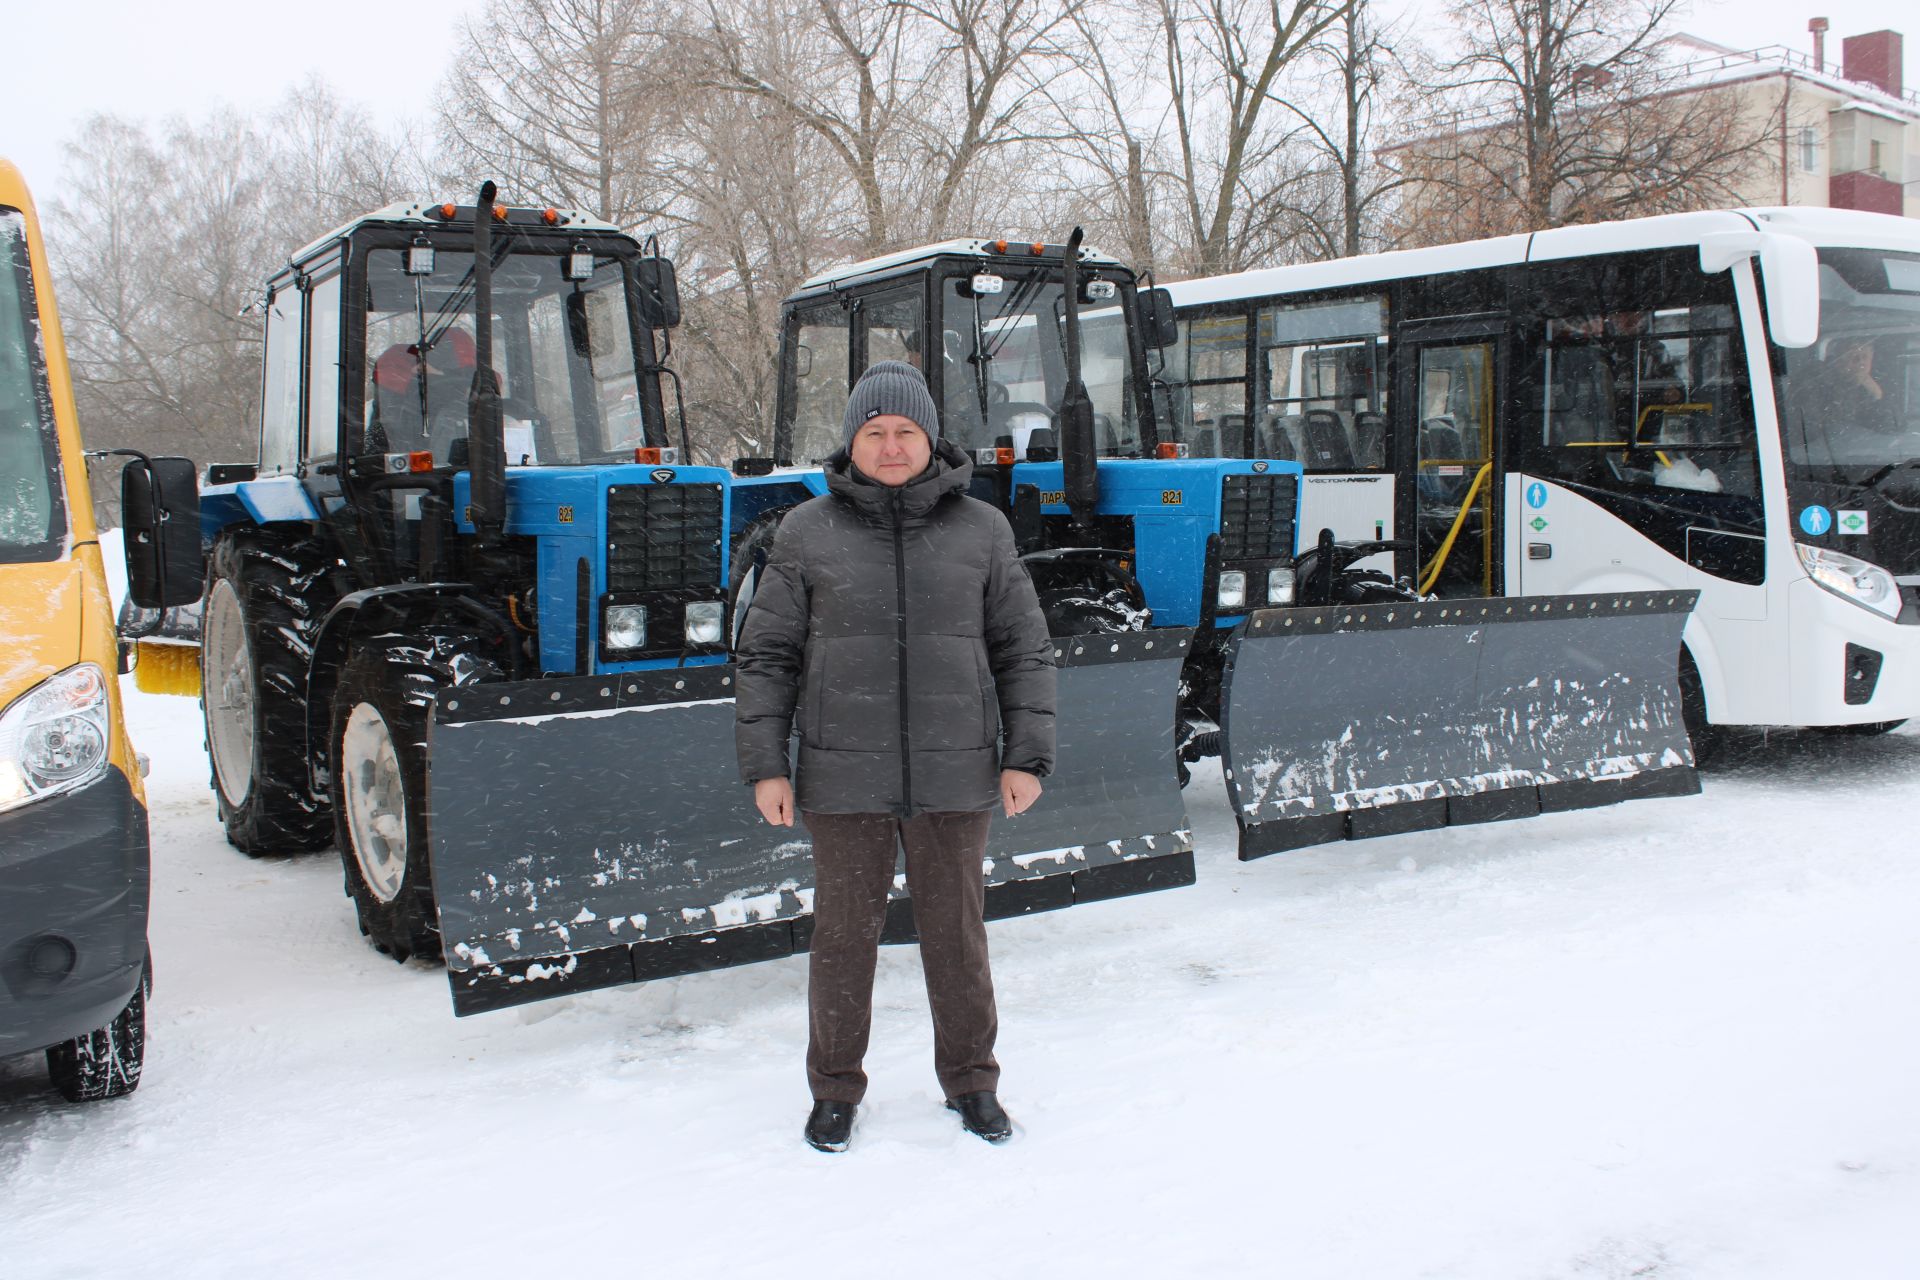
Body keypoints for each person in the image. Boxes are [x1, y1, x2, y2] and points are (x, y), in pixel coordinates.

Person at [734, 359, 1056, 1154]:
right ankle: (834, 1090)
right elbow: (766, 656)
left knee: (957, 936)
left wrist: (1028, 757)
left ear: (930, 439)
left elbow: (1024, 648)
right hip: (843, 776)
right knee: (843, 939)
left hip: (957, 771)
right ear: (852, 441)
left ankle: (973, 1083)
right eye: (873, 432)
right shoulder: (807, 531)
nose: (889, 446)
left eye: (904, 431)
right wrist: (767, 765)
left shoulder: (983, 529)